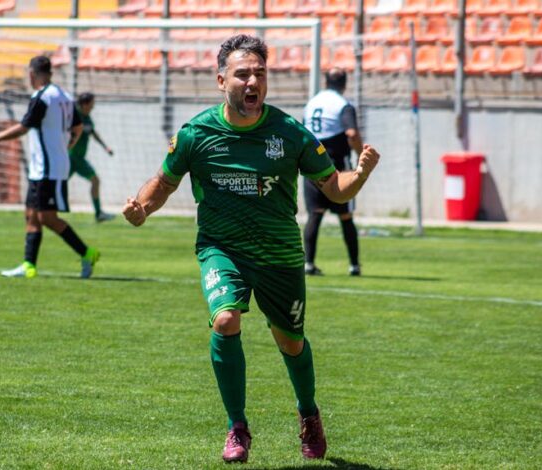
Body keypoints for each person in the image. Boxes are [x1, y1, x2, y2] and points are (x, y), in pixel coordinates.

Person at [122, 35, 380, 463]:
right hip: (222, 249)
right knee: (225, 321)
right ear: (221, 80)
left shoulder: (289, 132)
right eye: (242, 73)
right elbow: (164, 181)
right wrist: (142, 207)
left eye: (259, 73)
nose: (252, 81)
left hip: (279, 255)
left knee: (291, 342)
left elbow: (334, 189)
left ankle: (309, 413)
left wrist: (362, 173)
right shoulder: (196, 133)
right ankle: (237, 427)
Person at [0, 55, 100, 279]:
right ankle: (29, 265)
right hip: (45, 168)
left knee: (47, 218)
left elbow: (24, 128)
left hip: (48, 169)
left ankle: (87, 253)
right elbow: (78, 127)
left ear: (32, 74)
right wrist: (66, 145)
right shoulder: (64, 96)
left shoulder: (42, 97)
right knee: (31, 215)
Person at [302, 68, 364, 277]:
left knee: (315, 214)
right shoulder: (342, 105)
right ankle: (354, 265)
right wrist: (361, 153)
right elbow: (352, 133)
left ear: (326, 81)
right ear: (344, 84)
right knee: (346, 215)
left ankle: (308, 263)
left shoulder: (312, 103)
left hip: (312, 162)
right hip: (336, 163)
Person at [70, 92, 115, 222]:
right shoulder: (74, 115)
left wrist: (105, 147)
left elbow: (93, 133)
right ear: (84, 104)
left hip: (79, 158)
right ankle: (98, 213)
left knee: (59, 183)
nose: (93, 107)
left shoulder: (87, 118)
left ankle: (98, 213)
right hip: (71, 157)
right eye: (91, 104)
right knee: (95, 181)